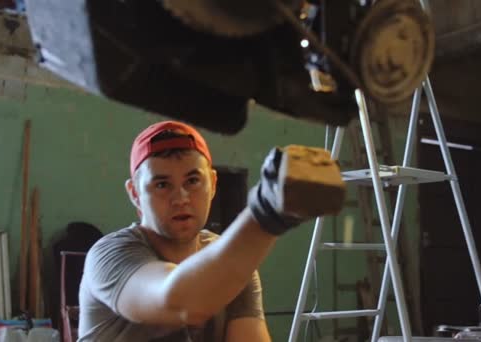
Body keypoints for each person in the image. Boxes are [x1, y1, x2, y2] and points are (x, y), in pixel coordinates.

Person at [77, 120, 338, 341]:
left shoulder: (231, 264)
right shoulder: (110, 255)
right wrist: (267, 209)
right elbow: (180, 301)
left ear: (212, 183)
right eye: (161, 184)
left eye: (192, 181)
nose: (181, 198)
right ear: (134, 193)